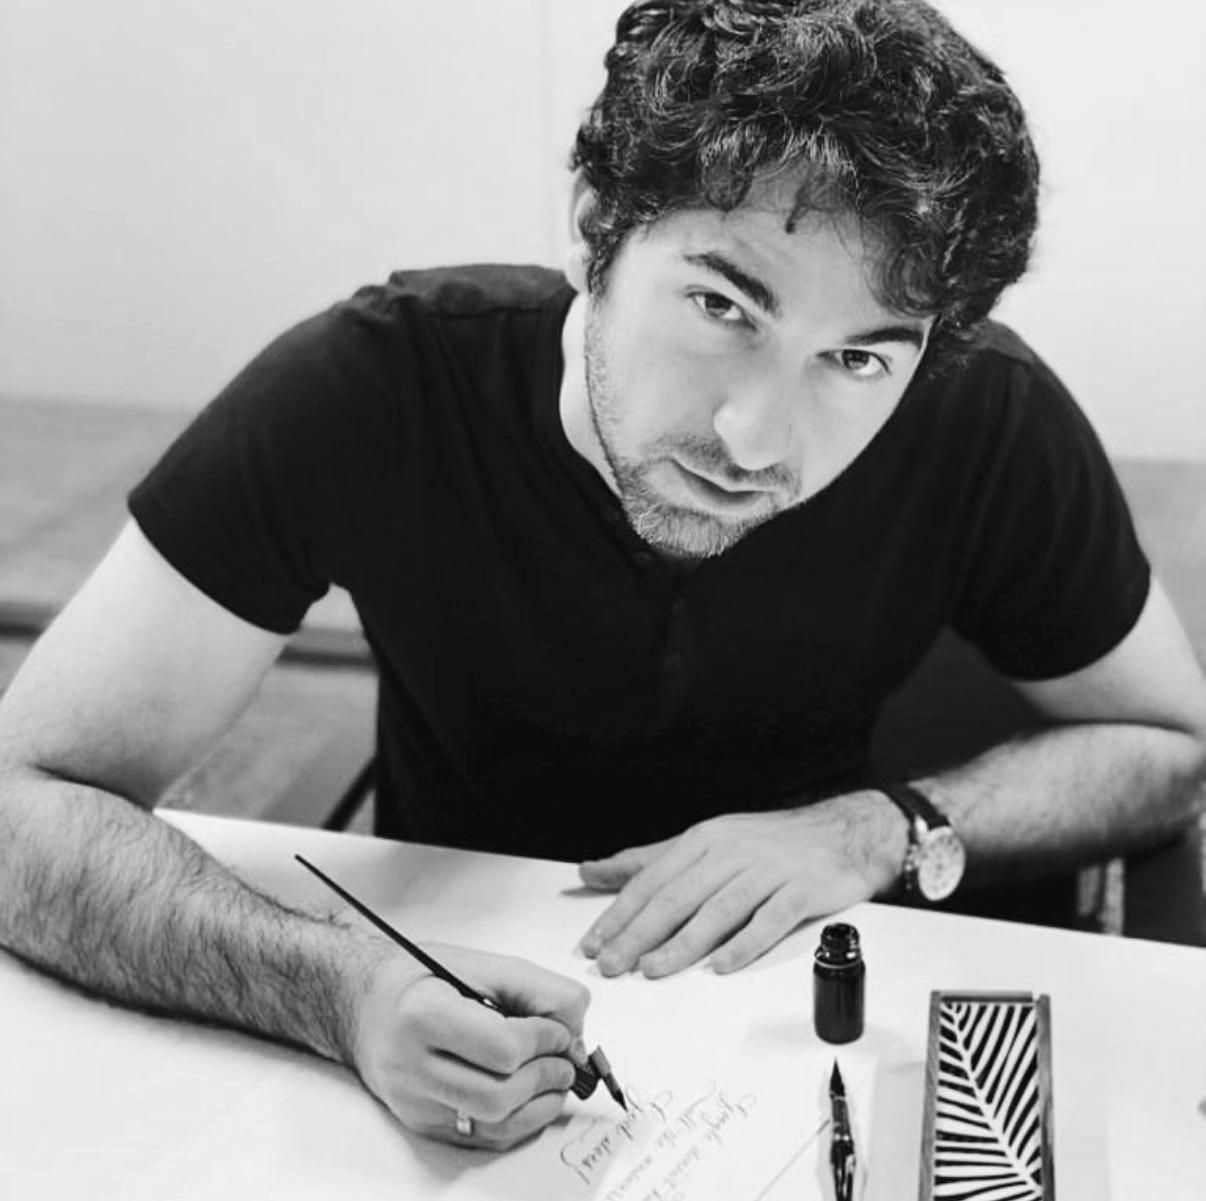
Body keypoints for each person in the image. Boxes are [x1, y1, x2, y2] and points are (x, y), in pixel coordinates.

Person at [2, 0, 1204, 1152]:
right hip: (438, 1004)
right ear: (595, 231)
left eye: (855, 358)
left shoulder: (983, 417)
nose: (758, 440)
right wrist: (337, 990)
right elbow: (19, 802)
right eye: (722, 304)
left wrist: (879, 828)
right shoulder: (376, 389)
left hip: (798, 1024)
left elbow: (1171, 745)